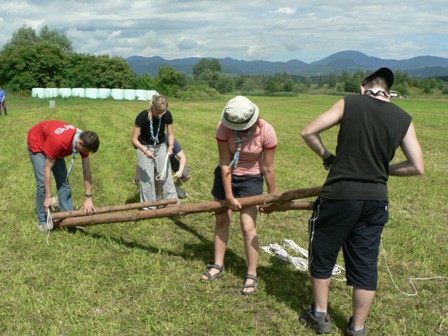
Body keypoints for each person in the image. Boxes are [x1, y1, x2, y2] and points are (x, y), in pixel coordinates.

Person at [299, 67, 424, 335]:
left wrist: (328, 158)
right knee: (366, 264)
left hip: (339, 195)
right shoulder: (404, 117)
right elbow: (417, 166)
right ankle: (357, 328)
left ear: (362, 88)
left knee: (323, 253)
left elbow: (308, 132)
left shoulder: (350, 102)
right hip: (376, 200)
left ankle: (319, 315)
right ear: (388, 92)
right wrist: (380, 168)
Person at [201, 96, 277, 295]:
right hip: (225, 176)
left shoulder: (266, 132)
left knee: (247, 225)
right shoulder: (223, 128)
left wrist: (271, 197)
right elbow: (225, 161)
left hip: (251, 179)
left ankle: (252, 273)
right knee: (221, 220)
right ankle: (218, 265)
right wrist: (228, 196)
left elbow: (268, 167)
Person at [27, 120, 100, 233]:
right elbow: (47, 168)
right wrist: (48, 197)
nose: (86, 153)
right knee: (42, 184)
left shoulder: (83, 140)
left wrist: (88, 197)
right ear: (80, 143)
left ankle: (70, 219)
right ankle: (43, 221)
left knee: (63, 182)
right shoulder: (59, 141)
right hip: (37, 142)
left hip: (54, 144)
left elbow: (86, 169)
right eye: (86, 151)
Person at [131, 94, 177, 208]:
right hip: (144, 146)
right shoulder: (142, 116)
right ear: (153, 107)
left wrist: (170, 146)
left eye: (163, 111)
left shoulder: (166, 114)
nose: (161, 114)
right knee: (148, 179)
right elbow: (134, 139)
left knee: (165, 175)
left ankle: (172, 203)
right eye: (159, 111)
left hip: (161, 146)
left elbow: (170, 134)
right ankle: (148, 207)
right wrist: (145, 151)